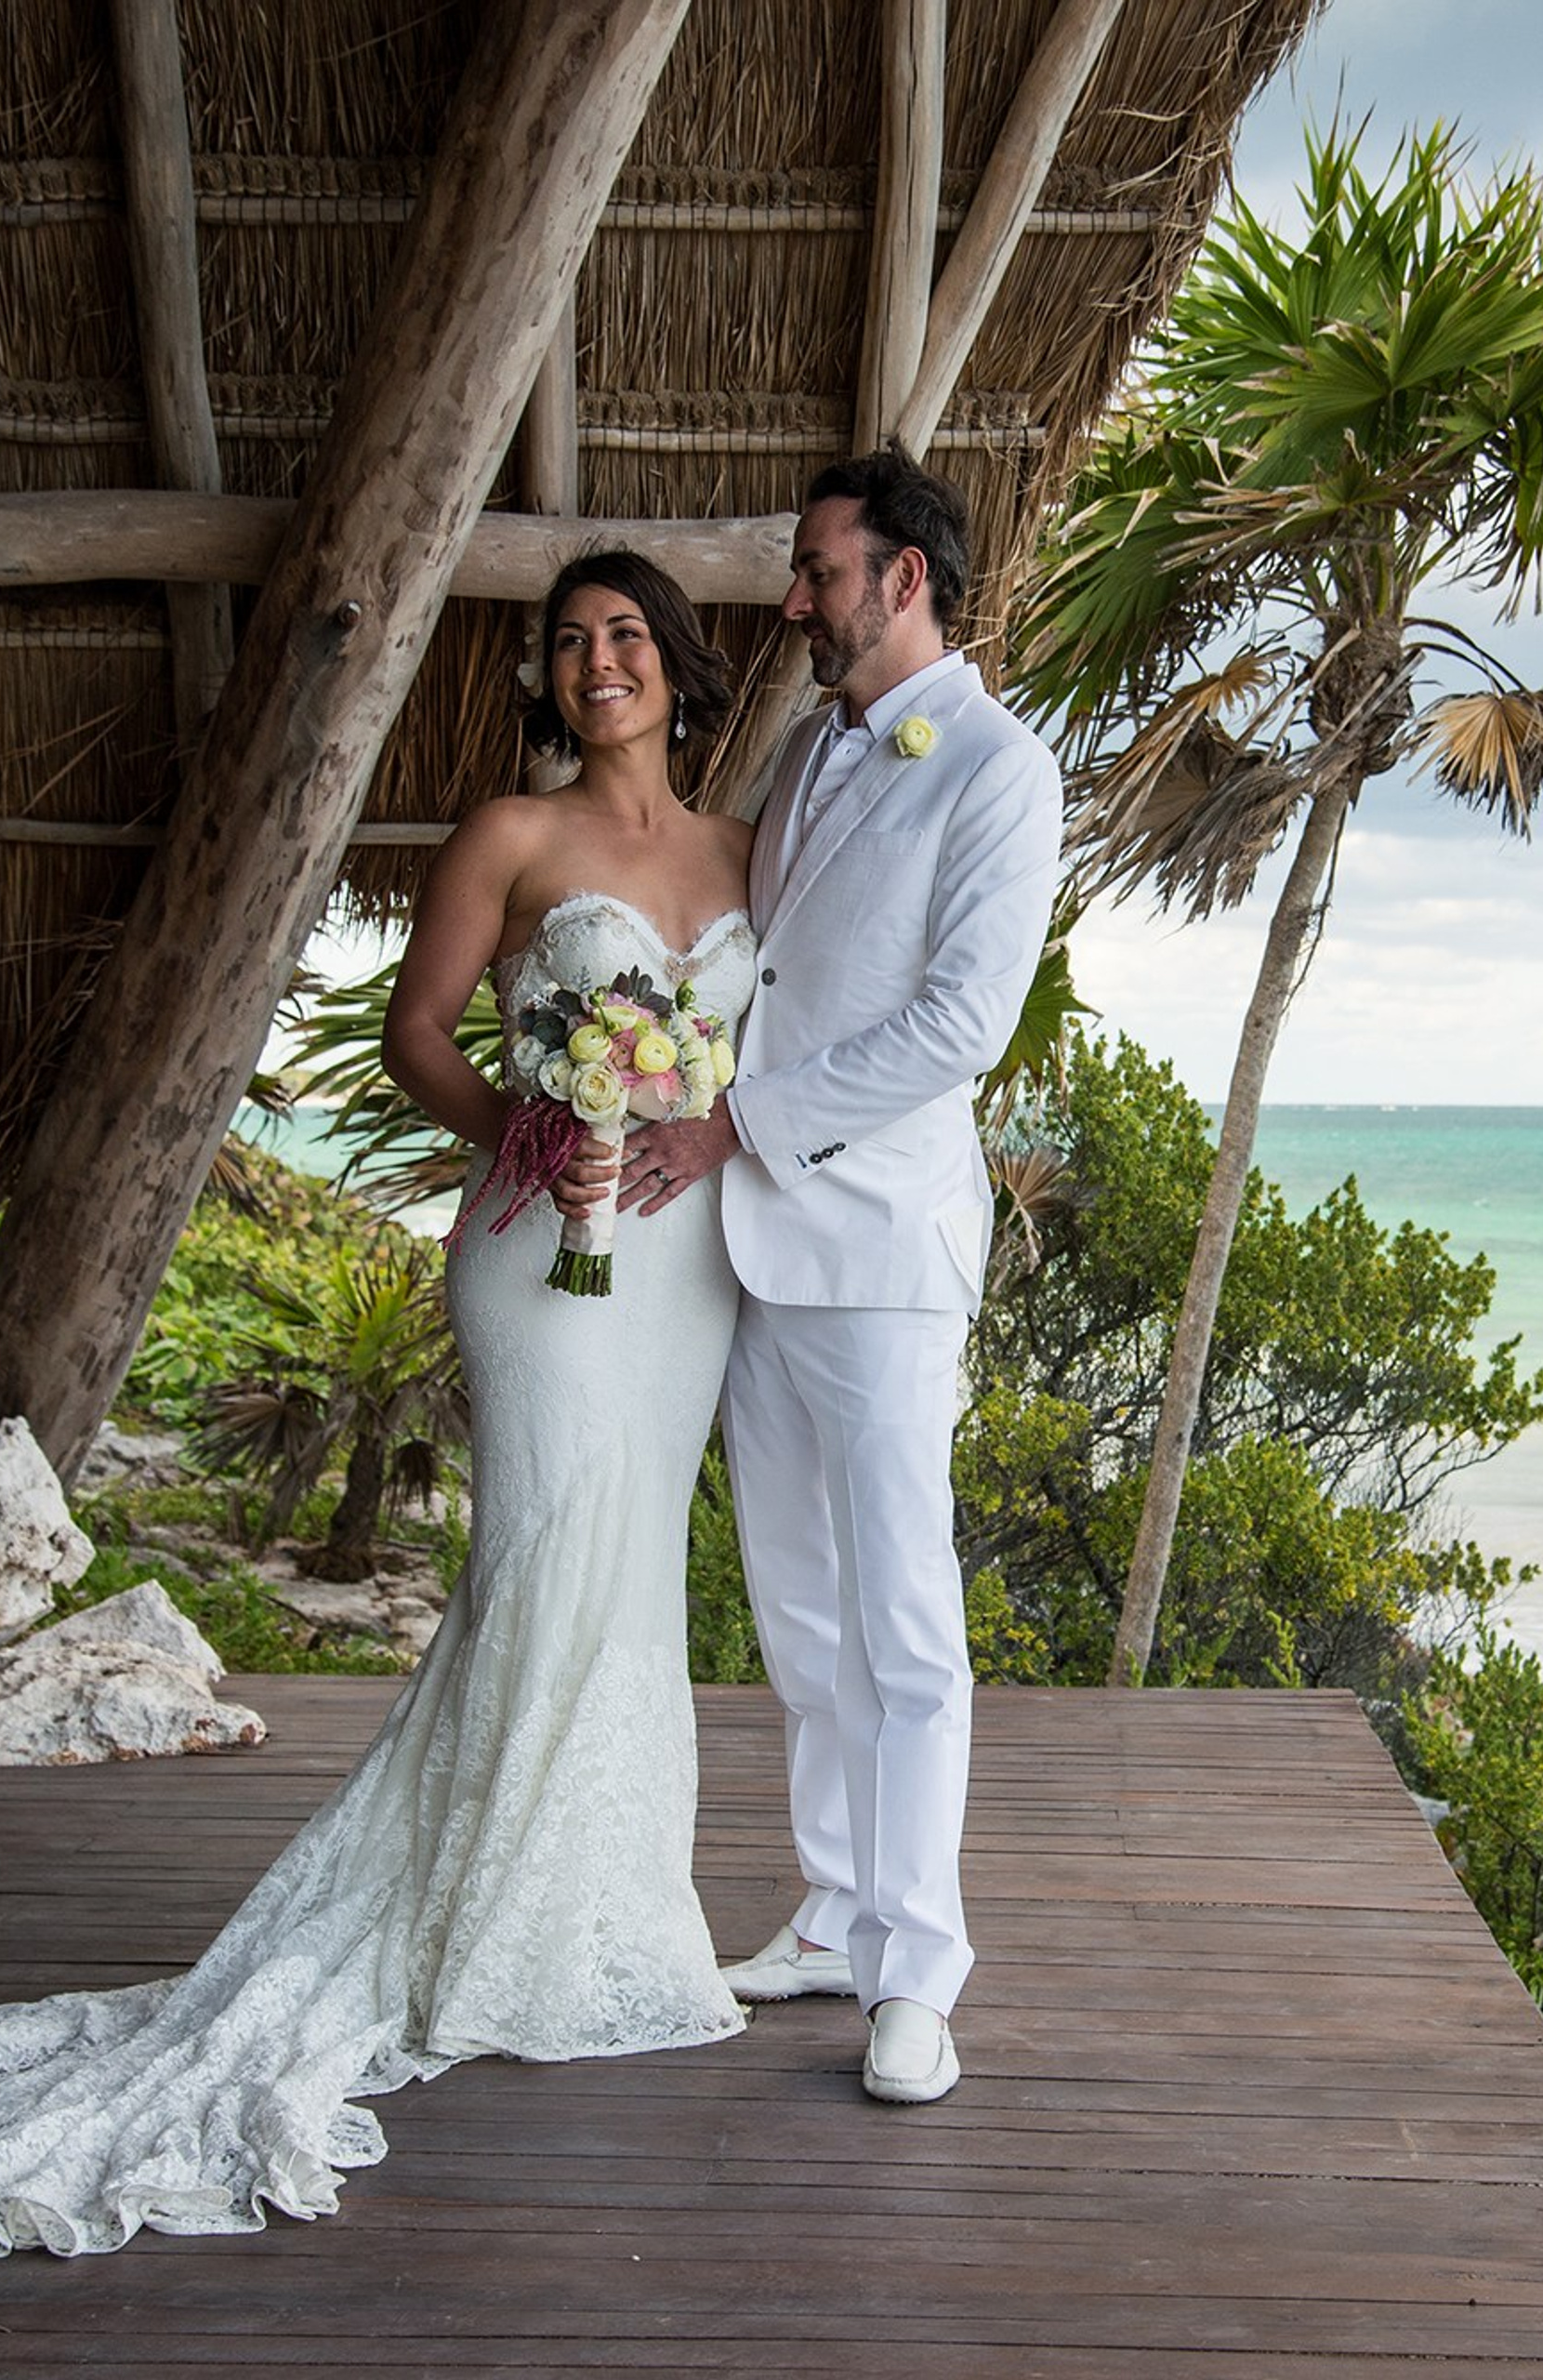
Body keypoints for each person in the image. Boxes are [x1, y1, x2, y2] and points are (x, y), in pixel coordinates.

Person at [0, 549, 756, 2257]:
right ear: (547, 680)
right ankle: (484, 1930)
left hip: (688, 1273)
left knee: (631, 1579)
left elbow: (778, 1049)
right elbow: (416, 1030)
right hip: (540, 1252)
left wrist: (709, 1124)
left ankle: (603, 1913)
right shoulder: (511, 839)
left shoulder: (749, 857)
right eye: (567, 644)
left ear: (677, 664)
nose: (597, 664)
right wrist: (525, 1128)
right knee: (538, 1559)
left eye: (624, 639)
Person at [614, 447, 1061, 2106]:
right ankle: (830, 1912)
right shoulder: (807, 747)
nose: (793, 598)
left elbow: (961, 1027)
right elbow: (771, 968)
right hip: (753, 1246)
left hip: (879, 1250)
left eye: (817, 569)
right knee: (800, 1612)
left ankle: (920, 1970)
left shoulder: (1003, 771)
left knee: (902, 1622)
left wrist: (737, 1123)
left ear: (905, 578)